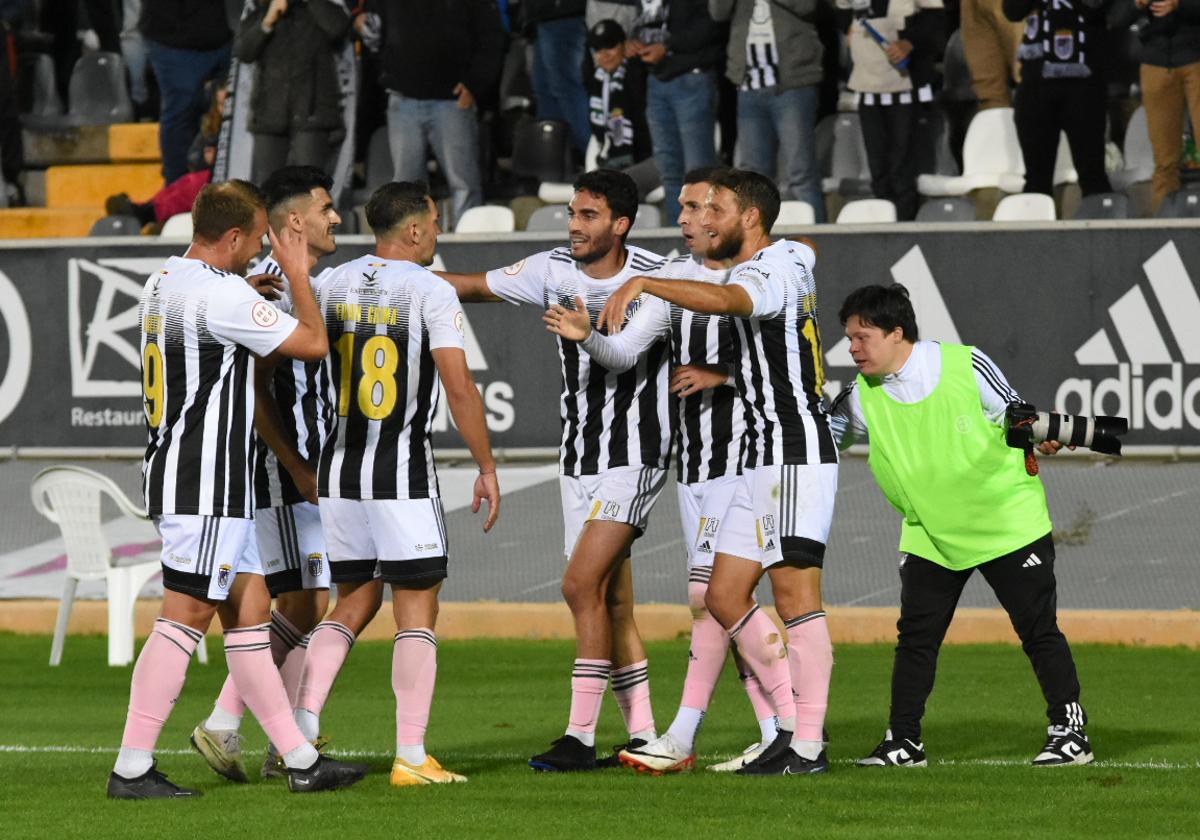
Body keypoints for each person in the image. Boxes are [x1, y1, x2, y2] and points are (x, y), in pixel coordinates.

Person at [109, 180, 367, 799]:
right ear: (232, 238)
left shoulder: (164, 282)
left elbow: (215, 331)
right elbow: (308, 342)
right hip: (206, 479)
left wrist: (245, 295)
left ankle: (300, 760)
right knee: (186, 616)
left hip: (196, 475)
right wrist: (299, 273)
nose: (259, 252)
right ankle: (131, 766)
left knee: (251, 616)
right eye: (255, 240)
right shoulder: (222, 295)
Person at [543, 166, 795, 774]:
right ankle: (768, 730)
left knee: (724, 598)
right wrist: (585, 337)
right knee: (708, 600)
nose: (684, 218)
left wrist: (723, 374)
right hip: (697, 464)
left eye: (695, 206)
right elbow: (624, 353)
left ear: (729, 214)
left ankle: (780, 725)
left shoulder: (769, 269)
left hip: (753, 456)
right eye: (682, 207)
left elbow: (791, 360)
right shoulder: (670, 279)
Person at [597, 168, 839, 776]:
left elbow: (734, 299)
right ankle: (785, 723)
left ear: (748, 217)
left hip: (792, 450)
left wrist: (646, 283)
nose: (701, 220)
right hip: (759, 453)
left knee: (795, 595)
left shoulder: (772, 267)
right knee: (721, 595)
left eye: (715, 210)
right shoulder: (788, 257)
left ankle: (805, 743)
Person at [438, 169, 668, 771]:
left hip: (634, 456)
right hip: (579, 458)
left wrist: (584, 332)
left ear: (620, 224)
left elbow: (621, 355)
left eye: (588, 216)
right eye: (571, 213)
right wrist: (400, 280)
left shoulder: (655, 278)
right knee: (612, 601)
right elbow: (471, 285)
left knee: (576, 586)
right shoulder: (549, 269)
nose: (573, 226)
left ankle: (580, 737)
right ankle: (643, 734)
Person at [287, 181, 501, 787]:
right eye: (433, 224)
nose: (436, 234)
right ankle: (411, 754)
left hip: (339, 468)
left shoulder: (330, 284)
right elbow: (459, 388)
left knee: (352, 600)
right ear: (413, 231)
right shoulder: (429, 289)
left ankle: (299, 732)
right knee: (417, 610)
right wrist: (486, 467)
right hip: (400, 470)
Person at [829, 283, 1093, 767]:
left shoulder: (964, 364)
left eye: (862, 336)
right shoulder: (857, 397)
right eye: (849, 337)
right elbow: (818, 443)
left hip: (1005, 521)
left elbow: (1015, 415)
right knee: (916, 639)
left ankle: (1070, 734)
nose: (852, 348)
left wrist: (1043, 434)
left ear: (896, 333)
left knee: (1038, 630)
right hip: (930, 531)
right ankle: (904, 741)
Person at [189, 166, 342, 784]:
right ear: (293, 222)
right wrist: (297, 464)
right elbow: (255, 391)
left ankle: (267, 732)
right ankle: (242, 725)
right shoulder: (274, 289)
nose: (336, 217)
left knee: (307, 602)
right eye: (326, 208)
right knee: (304, 602)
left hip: (300, 469)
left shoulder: (283, 282)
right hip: (279, 473)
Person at [355, 0, 507, 220]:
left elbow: (491, 37)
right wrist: (389, 76)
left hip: (453, 101)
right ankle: (409, 247)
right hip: (402, 99)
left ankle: (470, 247)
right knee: (405, 188)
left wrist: (475, 84)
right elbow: (374, 33)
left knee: (464, 183)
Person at [712, 0, 827, 221]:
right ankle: (760, 248)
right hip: (748, 84)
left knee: (800, 171)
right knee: (754, 178)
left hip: (792, 83)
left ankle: (814, 244)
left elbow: (809, 6)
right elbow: (718, 12)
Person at [838, 0, 945, 221]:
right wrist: (849, 28)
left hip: (903, 83)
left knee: (902, 164)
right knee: (877, 165)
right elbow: (840, 11)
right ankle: (883, 225)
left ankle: (904, 228)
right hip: (867, 82)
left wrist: (909, 42)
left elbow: (936, 19)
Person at [630, 0, 726, 225]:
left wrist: (668, 44)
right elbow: (648, 19)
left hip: (692, 77)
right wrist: (635, 40)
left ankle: (706, 243)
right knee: (669, 172)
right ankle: (679, 239)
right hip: (657, 79)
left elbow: (712, 25)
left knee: (698, 174)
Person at [1004, 0, 1113, 198]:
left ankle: (1099, 224)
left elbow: (1094, 8)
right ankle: (1037, 221)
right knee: (1036, 180)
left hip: (1084, 82)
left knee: (1092, 176)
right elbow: (1012, 10)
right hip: (1036, 81)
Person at [234, 0, 352, 182]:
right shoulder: (261, 6)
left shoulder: (322, 6)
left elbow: (338, 29)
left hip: (312, 112)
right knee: (267, 188)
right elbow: (243, 51)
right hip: (269, 112)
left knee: (310, 187)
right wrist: (267, 21)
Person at [1115, 0, 1200, 212]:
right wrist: (1137, 4)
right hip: (1155, 63)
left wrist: (1179, 5)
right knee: (1164, 161)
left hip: (1196, 58)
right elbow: (1116, 19)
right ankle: (1165, 227)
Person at [142, 0, 233, 184]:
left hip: (221, 33)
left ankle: (226, 181)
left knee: (232, 108)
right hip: (172, 38)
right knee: (180, 111)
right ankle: (176, 188)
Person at [525, 0, 593, 155]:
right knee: (544, 89)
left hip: (562, 12)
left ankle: (594, 158)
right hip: (543, 16)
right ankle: (553, 160)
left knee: (566, 88)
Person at [586, 19, 653, 171]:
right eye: (598, 49)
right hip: (611, 159)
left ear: (624, 45)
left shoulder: (638, 72)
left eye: (610, 46)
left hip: (646, 158)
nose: (605, 54)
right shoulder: (597, 80)